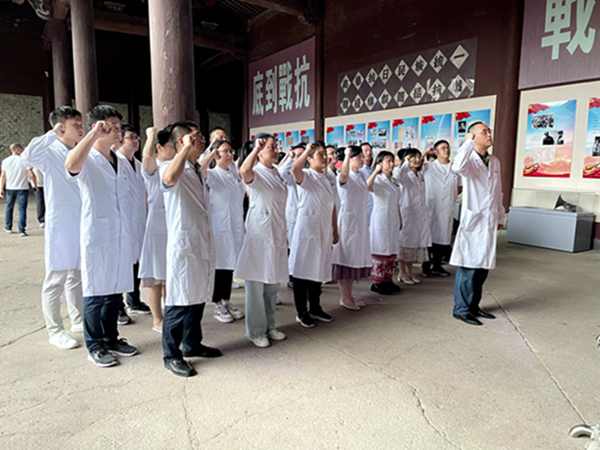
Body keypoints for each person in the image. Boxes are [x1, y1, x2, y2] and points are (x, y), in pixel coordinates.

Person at [65, 104, 139, 368]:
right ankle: (94, 345)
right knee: (96, 292)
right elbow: (71, 165)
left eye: (119, 126)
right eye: (112, 127)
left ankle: (111, 338)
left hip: (120, 234)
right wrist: (93, 134)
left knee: (114, 290)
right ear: (98, 128)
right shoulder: (87, 157)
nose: (118, 131)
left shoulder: (120, 160)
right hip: (98, 235)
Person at [160, 122, 222, 377]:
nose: (201, 140)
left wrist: (214, 146)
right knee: (179, 301)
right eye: (195, 137)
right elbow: (168, 179)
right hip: (184, 245)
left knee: (196, 298)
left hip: (199, 242)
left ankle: (192, 343)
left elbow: (204, 159)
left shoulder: (195, 168)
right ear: (181, 142)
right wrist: (184, 149)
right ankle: (171, 355)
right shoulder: (170, 166)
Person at [21, 106, 84, 349]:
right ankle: (55, 330)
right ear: (60, 127)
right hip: (61, 222)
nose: (81, 128)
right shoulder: (50, 150)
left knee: (76, 274)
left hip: (81, 219)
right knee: (56, 276)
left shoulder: (79, 150)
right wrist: (51, 134)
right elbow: (27, 157)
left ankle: (78, 320)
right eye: (76, 125)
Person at [236, 133, 288, 348]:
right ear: (258, 151)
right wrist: (256, 149)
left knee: (272, 284)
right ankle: (256, 331)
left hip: (276, 232)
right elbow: (243, 171)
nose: (275, 150)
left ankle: (270, 325)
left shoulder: (276, 172)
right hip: (259, 234)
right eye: (270, 147)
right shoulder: (255, 171)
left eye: (275, 146)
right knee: (256, 287)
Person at [450, 121, 504, 326]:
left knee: (482, 268)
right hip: (474, 219)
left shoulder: (494, 161)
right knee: (468, 268)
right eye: (484, 132)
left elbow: (498, 190)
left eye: (489, 131)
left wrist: (500, 216)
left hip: (489, 219)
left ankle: (473, 306)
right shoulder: (469, 159)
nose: (489, 134)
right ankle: (461, 309)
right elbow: (457, 167)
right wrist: (468, 143)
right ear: (473, 137)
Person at [289, 142, 338, 328]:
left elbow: (332, 206)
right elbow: (294, 169)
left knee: (318, 269)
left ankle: (315, 307)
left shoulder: (326, 178)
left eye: (325, 154)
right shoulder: (306, 175)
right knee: (303, 272)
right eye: (320, 154)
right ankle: (302, 312)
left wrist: (334, 229)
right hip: (307, 231)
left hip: (322, 230)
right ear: (309, 158)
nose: (324, 157)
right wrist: (307, 150)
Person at [138, 126, 175, 333]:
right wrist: (151, 136)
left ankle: (171, 314)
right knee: (155, 277)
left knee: (170, 274)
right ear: (159, 148)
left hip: (174, 225)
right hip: (157, 227)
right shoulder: (155, 169)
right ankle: (157, 319)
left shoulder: (176, 166)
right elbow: (146, 158)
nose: (174, 149)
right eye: (171, 145)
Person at [206, 139, 245, 324]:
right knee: (220, 267)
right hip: (220, 228)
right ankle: (217, 303)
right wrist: (210, 153)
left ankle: (226, 300)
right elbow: (201, 166)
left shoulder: (234, 173)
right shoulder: (211, 174)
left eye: (230, 151)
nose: (229, 154)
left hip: (234, 226)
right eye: (224, 151)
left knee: (229, 266)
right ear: (216, 155)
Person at [116, 124, 151, 321]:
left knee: (136, 262)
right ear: (120, 139)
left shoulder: (138, 164)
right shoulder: (116, 162)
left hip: (138, 220)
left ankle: (134, 299)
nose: (136, 141)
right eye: (131, 137)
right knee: (122, 264)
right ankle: (118, 307)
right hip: (122, 221)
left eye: (137, 137)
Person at [331, 146, 372, 311]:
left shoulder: (360, 175)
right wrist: (347, 156)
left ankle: (350, 295)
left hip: (359, 222)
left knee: (354, 258)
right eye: (359, 157)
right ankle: (345, 297)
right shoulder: (343, 176)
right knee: (345, 260)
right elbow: (343, 176)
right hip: (348, 223)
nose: (363, 159)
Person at [394, 148, 431, 285]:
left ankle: (410, 272)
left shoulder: (419, 174)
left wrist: (424, 155)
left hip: (418, 213)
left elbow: (424, 164)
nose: (417, 160)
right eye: (413, 158)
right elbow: (397, 174)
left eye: (418, 157)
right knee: (405, 244)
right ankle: (402, 273)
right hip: (407, 213)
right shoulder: (404, 173)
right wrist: (405, 162)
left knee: (413, 245)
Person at [423, 140, 460, 277]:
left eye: (447, 147)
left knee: (443, 236)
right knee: (429, 236)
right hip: (431, 207)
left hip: (447, 207)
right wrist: (425, 153)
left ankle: (437, 265)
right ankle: (427, 265)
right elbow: (412, 165)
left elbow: (460, 186)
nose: (446, 150)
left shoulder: (454, 167)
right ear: (436, 151)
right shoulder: (428, 167)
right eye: (443, 148)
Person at [367, 151, 401, 295]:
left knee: (391, 250)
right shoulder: (377, 179)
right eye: (388, 161)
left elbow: (397, 202)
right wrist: (376, 171)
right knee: (381, 250)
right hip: (380, 219)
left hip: (393, 218)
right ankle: (377, 282)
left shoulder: (393, 181)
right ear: (380, 163)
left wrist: (400, 218)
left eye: (392, 161)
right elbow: (367, 186)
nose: (391, 164)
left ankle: (388, 279)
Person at [1, 144, 33, 237]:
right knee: (22, 209)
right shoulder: (24, 160)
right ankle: (22, 230)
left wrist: (1, 188)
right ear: (16, 149)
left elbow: (3, 175)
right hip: (23, 187)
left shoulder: (5, 161)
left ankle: (8, 227)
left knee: (9, 207)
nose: (23, 150)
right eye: (21, 149)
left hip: (10, 188)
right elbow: (30, 174)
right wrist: (33, 184)